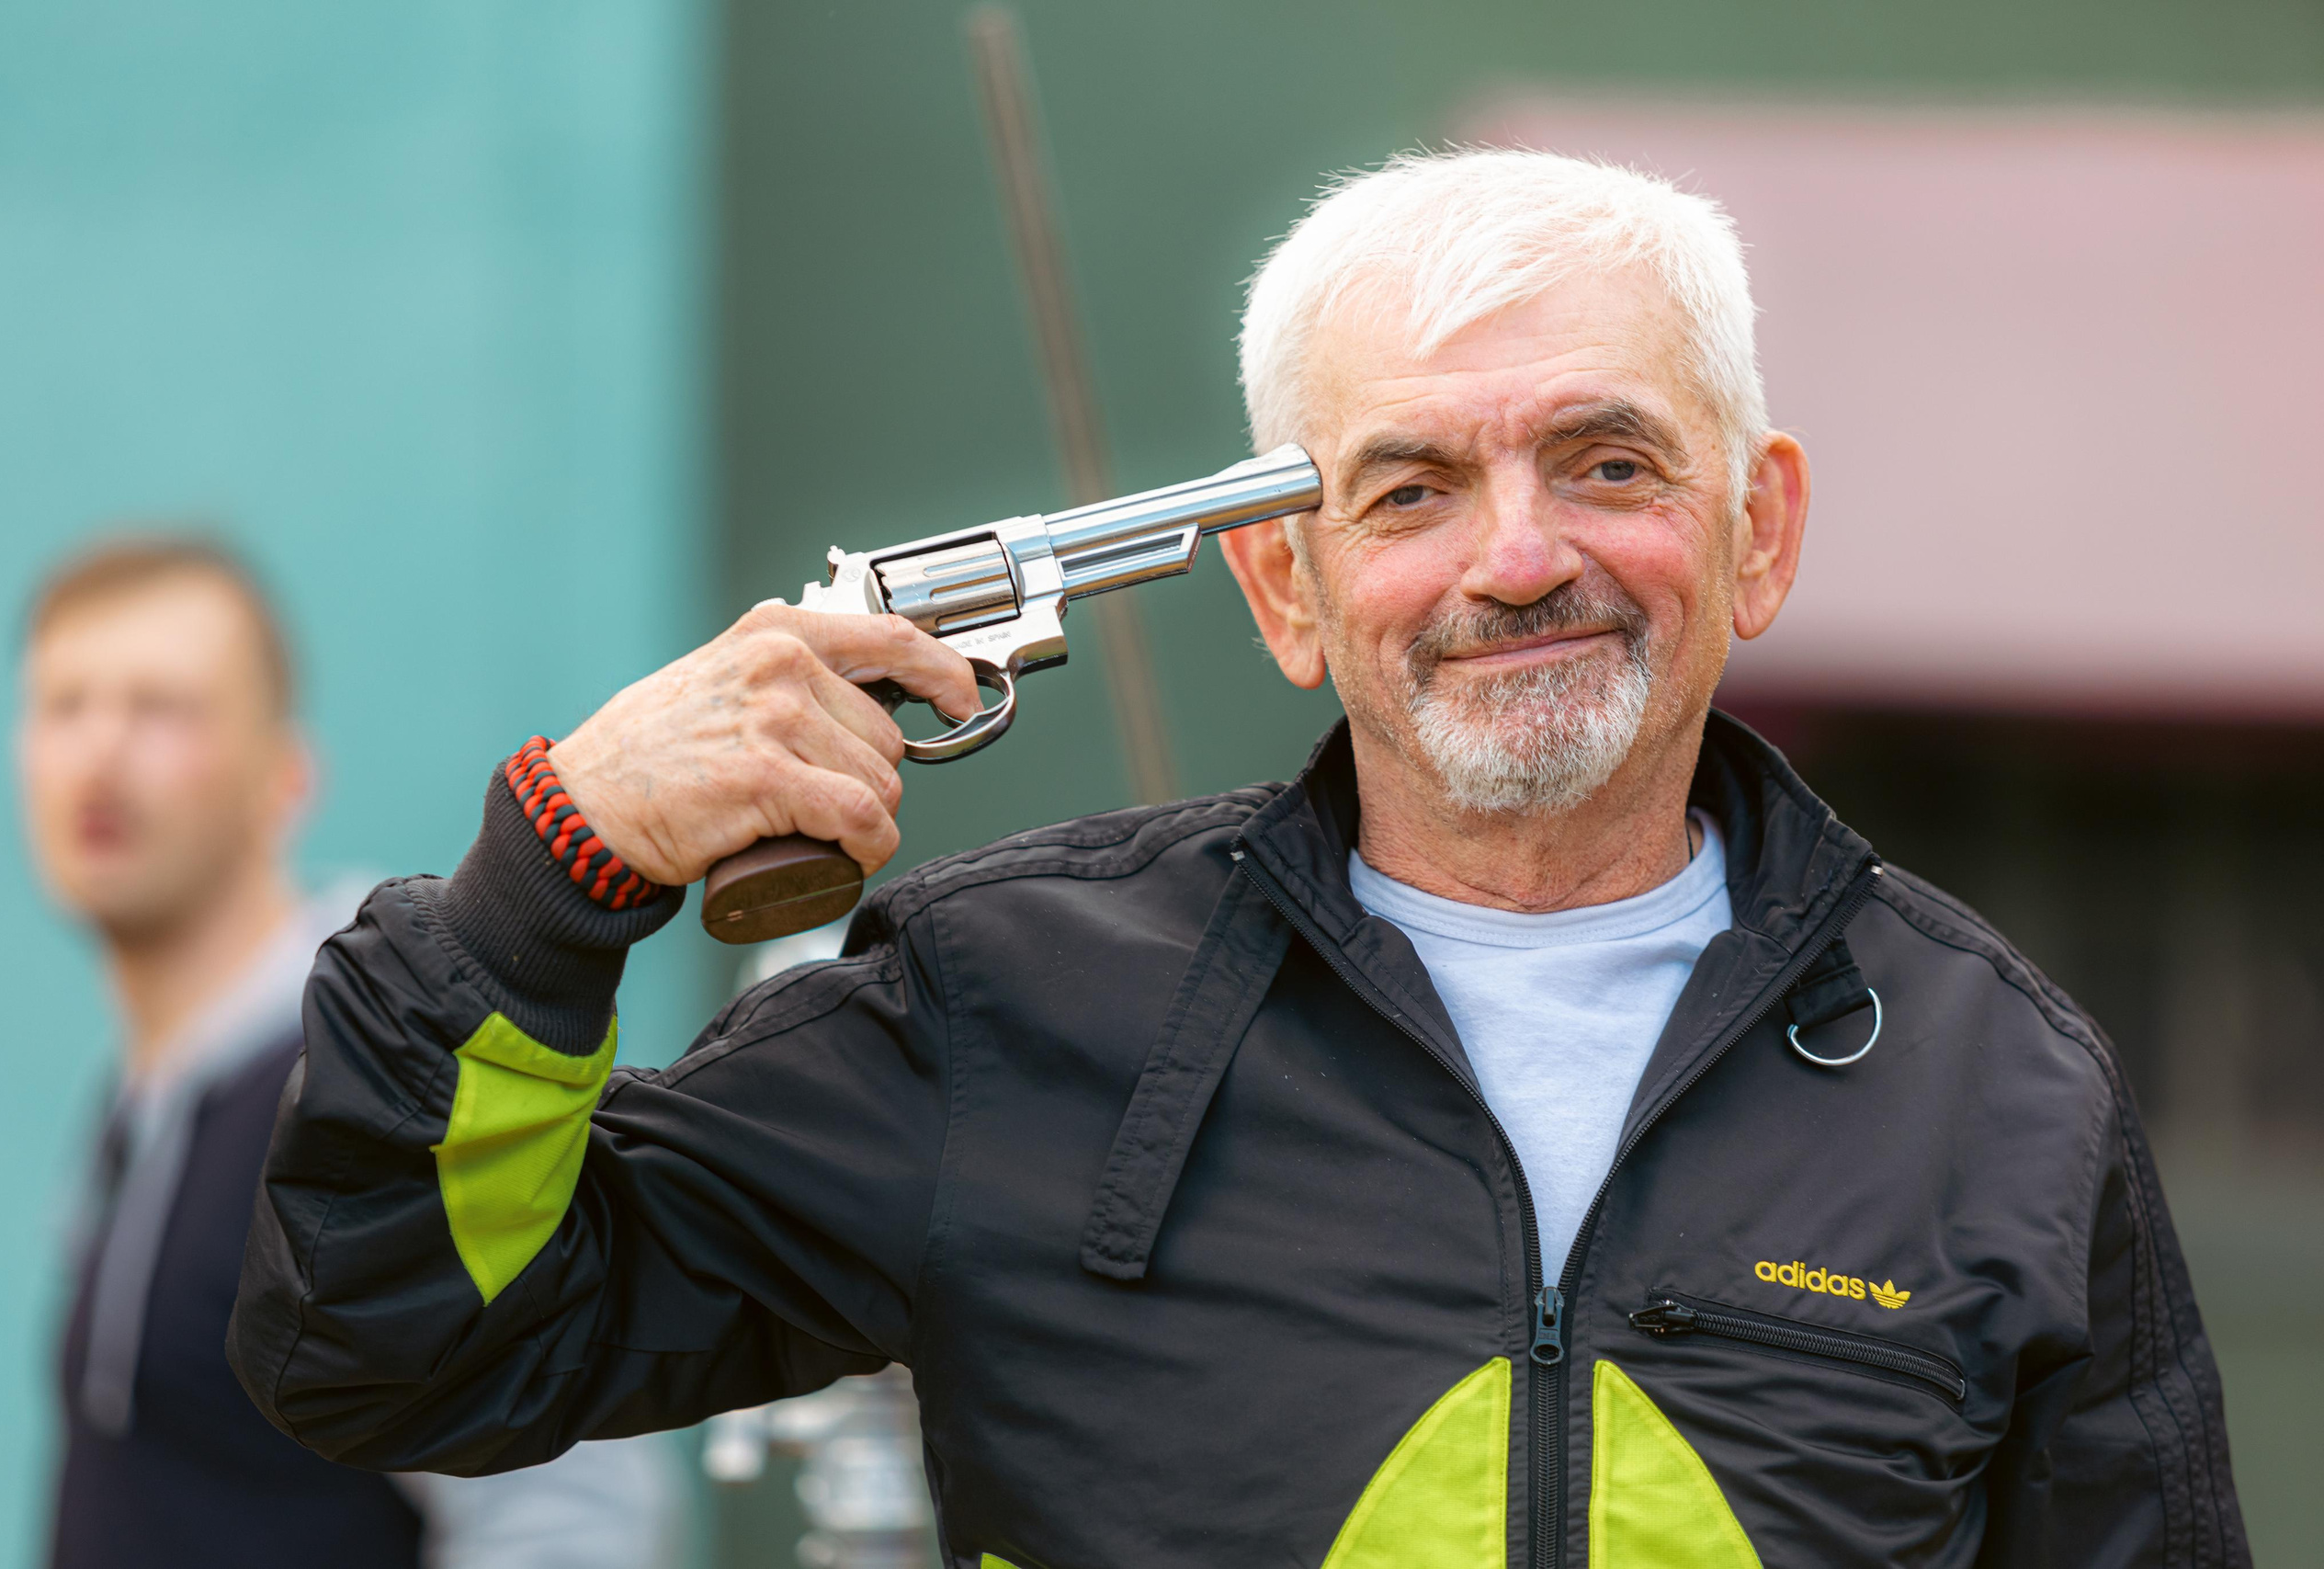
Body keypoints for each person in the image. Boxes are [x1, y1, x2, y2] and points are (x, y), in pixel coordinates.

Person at [230, 151, 2246, 1567]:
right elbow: (395, 1344)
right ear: (1286, 586)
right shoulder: (1002, 1014)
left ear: (1759, 531)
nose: (1518, 553)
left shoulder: (1996, 1085)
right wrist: (550, 880)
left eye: (1608, 462)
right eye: (1411, 485)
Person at [17, 538, 683, 1569]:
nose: (100, 751)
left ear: (283, 778)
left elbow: (567, 1520)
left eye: (162, 708)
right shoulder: (143, 1101)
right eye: (65, 705)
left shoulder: (359, 1096)